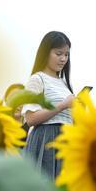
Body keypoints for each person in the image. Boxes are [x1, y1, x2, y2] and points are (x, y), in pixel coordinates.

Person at [21, 31, 75, 180]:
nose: (63, 59)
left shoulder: (65, 84)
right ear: (46, 53)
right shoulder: (37, 79)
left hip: (67, 142)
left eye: (66, 54)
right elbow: (30, 118)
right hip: (46, 140)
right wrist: (62, 105)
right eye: (59, 54)